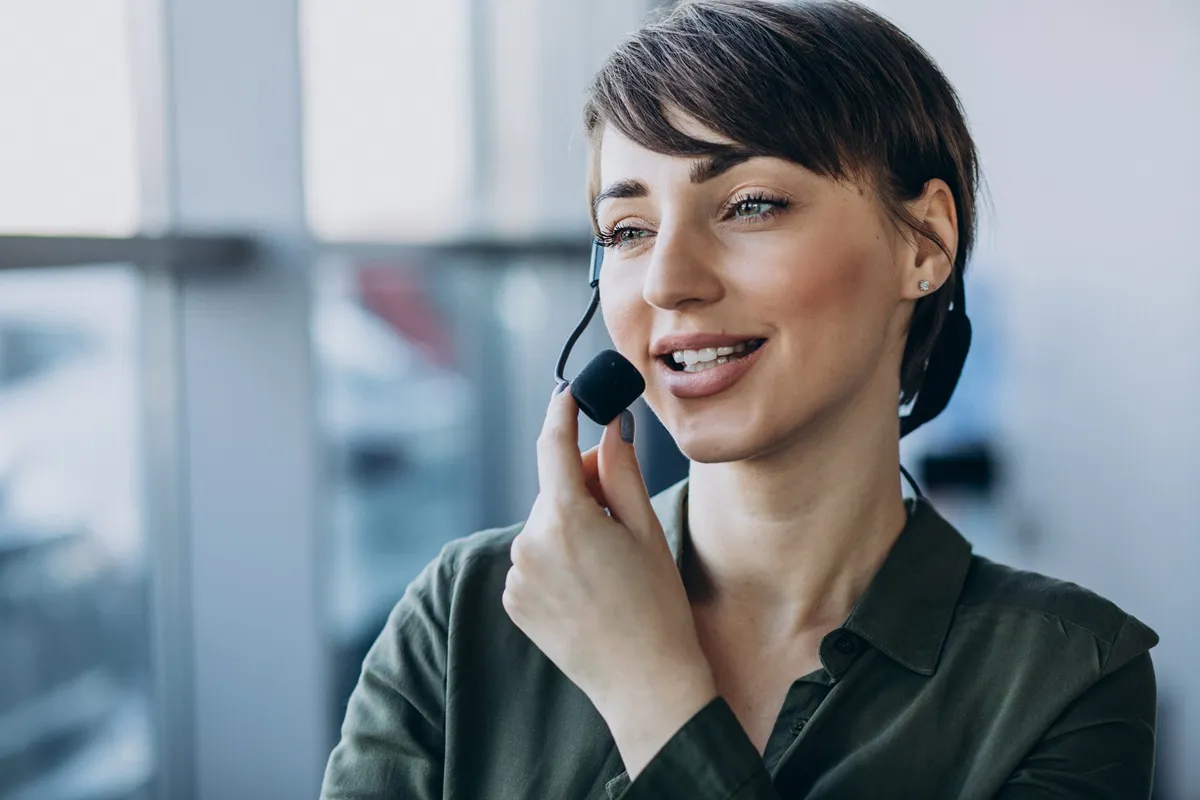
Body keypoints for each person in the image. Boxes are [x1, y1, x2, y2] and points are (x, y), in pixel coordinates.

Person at [320, 1, 1158, 798]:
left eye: (750, 205)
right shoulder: (465, 615)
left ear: (925, 242)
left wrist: (649, 686)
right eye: (628, 231)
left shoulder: (1067, 677)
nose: (670, 282)